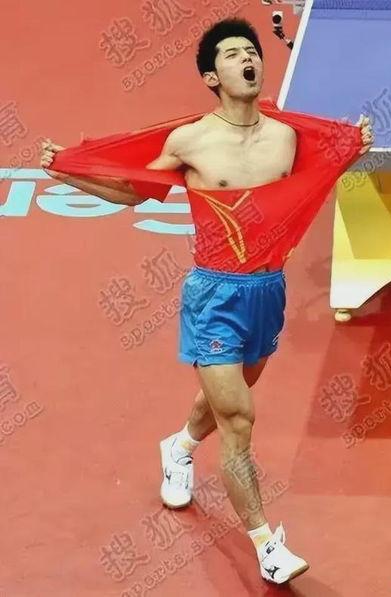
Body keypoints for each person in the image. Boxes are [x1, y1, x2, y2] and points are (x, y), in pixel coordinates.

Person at [40, 18, 373, 585]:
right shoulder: (190, 142)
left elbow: (323, 169)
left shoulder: (286, 138)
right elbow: (132, 190)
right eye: (233, 54)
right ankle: (267, 544)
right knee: (239, 418)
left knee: (230, 397)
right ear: (211, 76)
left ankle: (179, 445)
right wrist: (67, 172)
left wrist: (353, 145)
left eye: (252, 51)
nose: (248, 59)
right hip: (214, 296)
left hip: (268, 292)